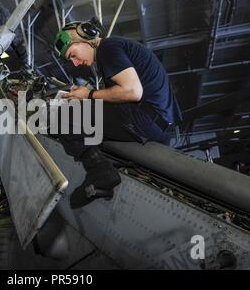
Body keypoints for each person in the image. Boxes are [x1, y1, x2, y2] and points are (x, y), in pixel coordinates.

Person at [53, 20, 183, 209]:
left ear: (86, 38)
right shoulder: (118, 47)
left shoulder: (108, 47)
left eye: (73, 55)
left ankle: (100, 172)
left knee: (63, 116)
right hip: (160, 125)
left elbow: (132, 91)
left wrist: (88, 95)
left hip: (144, 119)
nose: (75, 62)